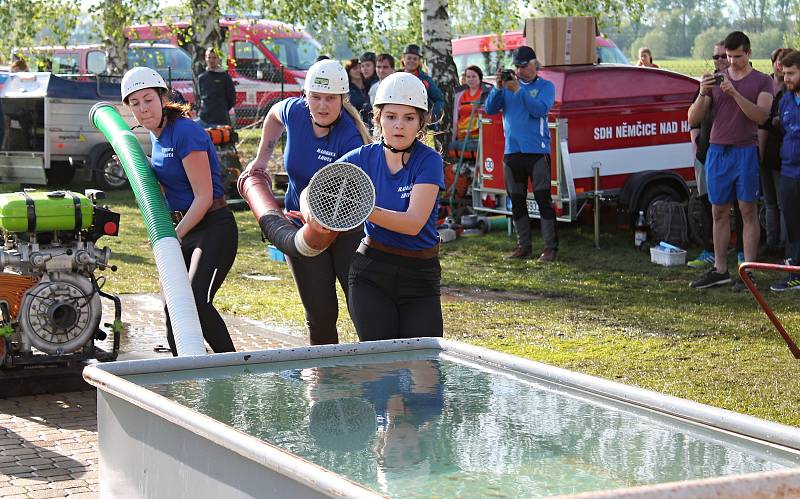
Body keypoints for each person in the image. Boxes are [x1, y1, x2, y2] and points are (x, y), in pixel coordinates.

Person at [243, 59, 371, 345]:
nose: (322, 106)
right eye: (316, 97)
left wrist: (312, 212)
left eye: (330, 99)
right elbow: (274, 115)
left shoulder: (350, 138)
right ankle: (324, 381)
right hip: (300, 229)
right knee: (320, 313)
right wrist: (262, 158)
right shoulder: (295, 111)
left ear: (342, 99)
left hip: (344, 227)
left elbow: (339, 194)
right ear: (305, 95)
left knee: (362, 308)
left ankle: (374, 377)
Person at [120, 67, 238, 355]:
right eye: (135, 103)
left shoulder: (184, 131)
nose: (143, 109)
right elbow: (169, 184)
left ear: (163, 97)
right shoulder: (156, 136)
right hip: (185, 230)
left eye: (148, 99)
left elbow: (204, 197)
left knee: (196, 302)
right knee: (173, 305)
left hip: (213, 227)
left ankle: (234, 368)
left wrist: (174, 235)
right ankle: (182, 375)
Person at [338, 72, 445, 341]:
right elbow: (317, 187)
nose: (399, 125)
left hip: (420, 276)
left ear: (421, 122)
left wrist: (361, 208)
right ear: (378, 119)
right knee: (380, 369)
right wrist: (307, 207)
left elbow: (413, 223)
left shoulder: (429, 161)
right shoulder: (362, 158)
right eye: (391, 116)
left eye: (409, 118)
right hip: (370, 273)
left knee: (425, 372)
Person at [688, 31, 773, 290]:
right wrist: (703, 93)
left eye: (737, 57)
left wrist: (734, 93)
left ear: (748, 53)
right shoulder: (715, 80)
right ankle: (720, 269)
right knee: (718, 212)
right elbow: (692, 120)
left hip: (745, 151)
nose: (732, 62)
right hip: (717, 152)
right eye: (728, 56)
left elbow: (761, 116)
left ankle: (749, 271)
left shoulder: (762, 81)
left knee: (747, 211)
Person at [484, 46, 558, 262]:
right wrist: (498, 88)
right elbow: (489, 110)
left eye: (524, 66)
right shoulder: (507, 87)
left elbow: (539, 110)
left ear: (535, 64)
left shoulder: (546, 86)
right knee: (516, 200)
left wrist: (519, 90)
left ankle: (550, 248)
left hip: (537, 151)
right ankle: (523, 246)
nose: (520, 70)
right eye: (517, 66)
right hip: (513, 151)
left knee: (543, 199)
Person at [687, 40, 730, 269]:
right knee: (707, 204)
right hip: (705, 154)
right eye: (716, 57)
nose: (720, 61)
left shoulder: (744, 81)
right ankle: (709, 250)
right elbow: (692, 116)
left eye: (724, 56)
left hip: (734, 153)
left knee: (741, 207)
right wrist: (694, 142)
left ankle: (742, 253)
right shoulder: (707, 83)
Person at [769, 50, 800, 291]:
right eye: (784, 73)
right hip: (789, 171)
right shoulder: (785, 99)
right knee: (792, 224)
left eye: (791, 73)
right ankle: (794, 272)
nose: (786, 78)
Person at [759, 47, 793, 259]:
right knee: (769, 202)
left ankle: (783, 245)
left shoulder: (791, 91)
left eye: (785, 62)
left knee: (782, 204)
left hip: (783, 156)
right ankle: (771, 242)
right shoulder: (764, 84)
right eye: (778, 61)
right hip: (765, 153)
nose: (780, 66)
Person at [449, 65, 492, 160]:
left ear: (480, 78)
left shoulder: (486, 94)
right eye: (468, 77)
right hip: (461, 136)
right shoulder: (460, 95)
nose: (471, 79)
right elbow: (456, 116)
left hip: (479, 137)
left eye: (474, 76)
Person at [401, 44, 444, 122]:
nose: (411, 61)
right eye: (409, 58)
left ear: (419, 61)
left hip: (419, 122)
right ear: (403, 59)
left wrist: (431, 115)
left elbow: (439, 100)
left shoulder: (426, 79)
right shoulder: (396, 77)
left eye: (415, 59)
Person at [197, 47, 236, 127]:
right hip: (204, 118)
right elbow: (199, 97)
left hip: (220, 120)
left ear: (218, 59)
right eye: (209, 57)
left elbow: (231, 99)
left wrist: (221, 109)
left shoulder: (225, 77)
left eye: (214, 57)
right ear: (205, 58)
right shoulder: (202, 77)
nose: (211, 60)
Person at [345, 58, 371, 127]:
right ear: (349, 71)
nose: (359, 70)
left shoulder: (370, 85)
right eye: (355, 68)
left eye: (360, 67)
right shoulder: (347, 90)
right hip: (356, 124)